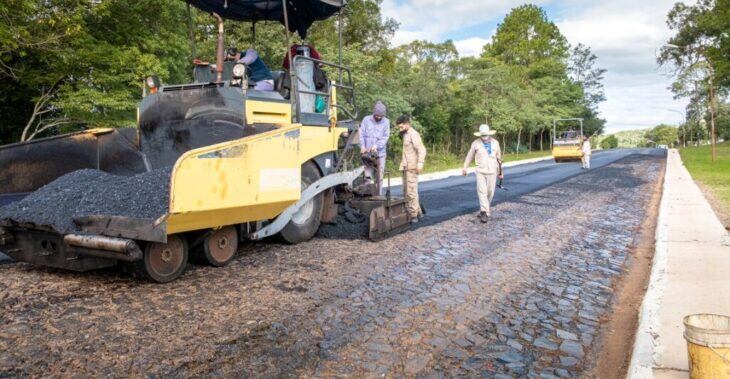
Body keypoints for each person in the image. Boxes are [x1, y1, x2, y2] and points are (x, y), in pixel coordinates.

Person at [462, 124, 502, 224]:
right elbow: (469, 156)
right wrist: (465, 167)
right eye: (482, 135)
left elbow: (499, 159)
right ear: (480, 135)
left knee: (490, 192)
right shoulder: (475, 143)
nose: (484, 137)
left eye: (485, 135)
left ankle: (484, 209)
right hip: (480, 171)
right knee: (482, 191)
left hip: (493, 171)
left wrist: (501, 172)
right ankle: (484, 212)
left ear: (488, 134)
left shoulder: (495, 143)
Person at [397, 115, 427, 223]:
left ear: (407, 124)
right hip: (406, 166)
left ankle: (413, 214)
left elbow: (422, 149)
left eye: (401, 127)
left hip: (412, 167)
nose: (400, 129)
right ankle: (418, 212)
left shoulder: (413, 134)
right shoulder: (405, 134)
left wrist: (420, 164)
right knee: (407, 191)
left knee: (411, 192)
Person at [359, 101, 390, 194]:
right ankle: (367, 195)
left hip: (380, 154)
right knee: (367, 177)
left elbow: (385, 137)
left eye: (381, 116)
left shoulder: (386, 122)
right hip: (367, 154)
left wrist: (377, 146)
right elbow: (361, 134)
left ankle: (379, 196)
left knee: (379, 177)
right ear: (374, 113)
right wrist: (362, 146)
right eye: (377, 115)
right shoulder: (366, 120)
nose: (379, 117)